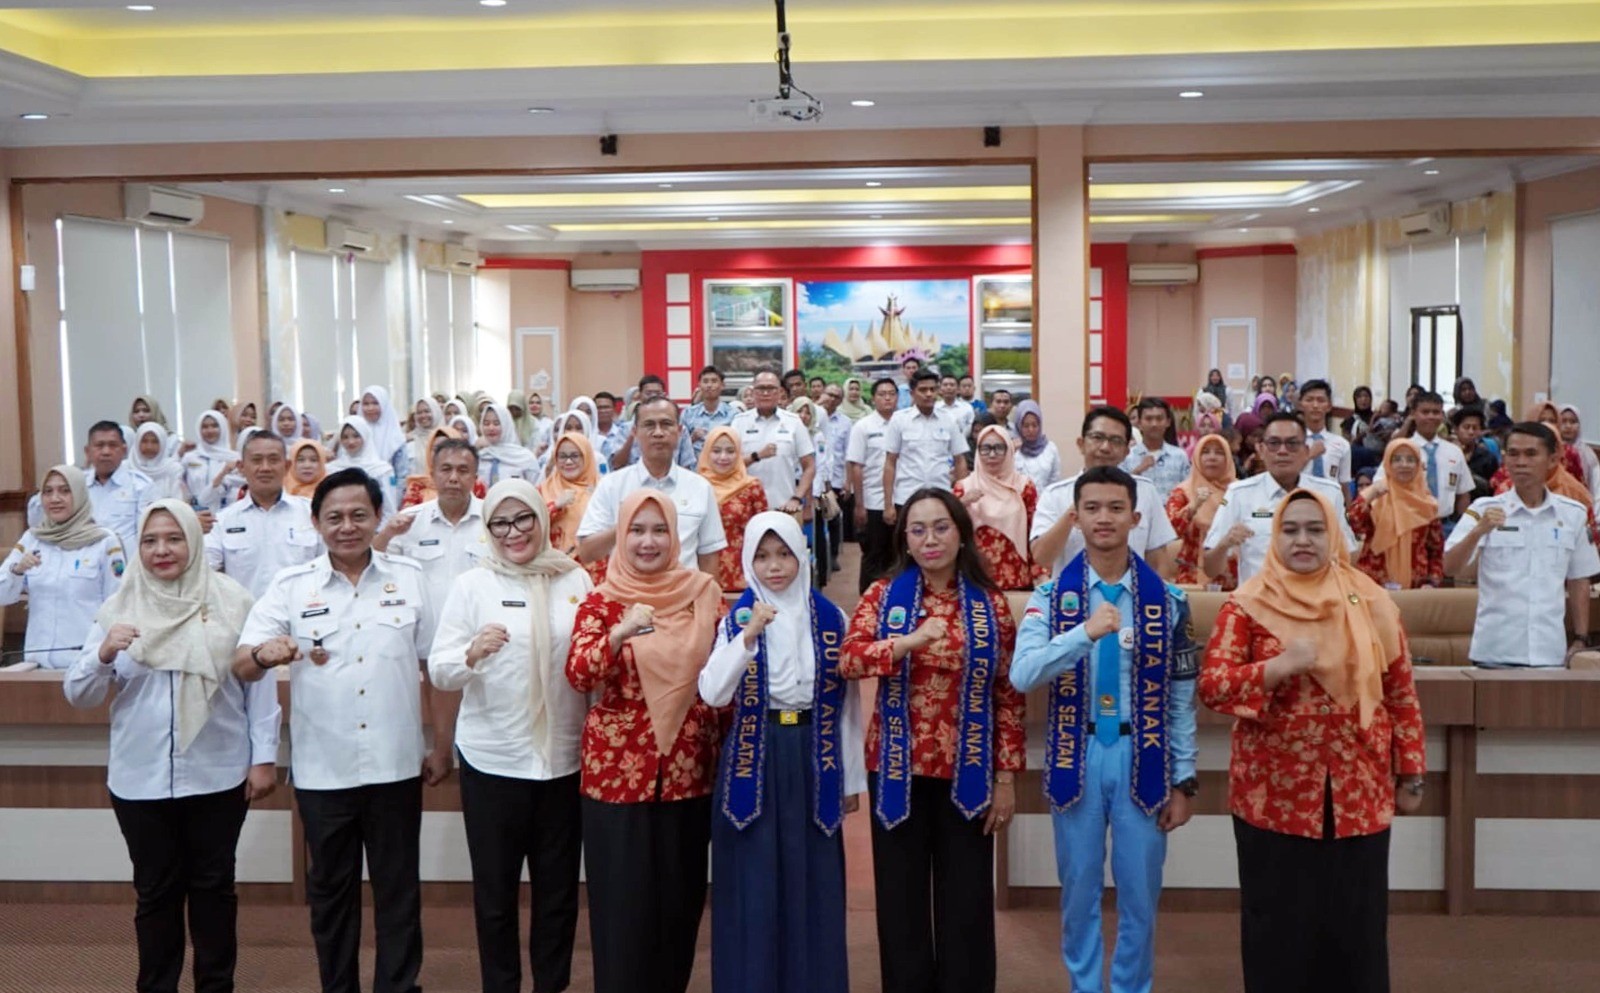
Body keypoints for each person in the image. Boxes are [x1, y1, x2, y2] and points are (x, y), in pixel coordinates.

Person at [233, 469, 450, 993]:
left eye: (358, 515)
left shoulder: (410, 578)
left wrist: (442, 747)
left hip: (394, 766)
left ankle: (398, 986)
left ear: (377, 518)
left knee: (399, 891)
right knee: (331, 897)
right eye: (334, 517)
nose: (347, 526)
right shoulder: (291, 586)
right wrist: (263, 655)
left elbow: (438, 669)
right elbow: (241, 663)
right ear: (316, 523)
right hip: (323, 772)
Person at [1199, 489, 1425, 993]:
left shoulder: (1371, 601)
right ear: (1274, 536)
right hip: (1273, 795)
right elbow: (1212, 686)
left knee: (1357, 928)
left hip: (1359, 790)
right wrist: (1275, 668)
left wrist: (1411, 772)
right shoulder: (1248, 605)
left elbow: (1401, 693)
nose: (1303, 540)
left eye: (1315, 529)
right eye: (1291, 529)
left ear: (1334, 535)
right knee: (1277, 928)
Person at [65, 499, 278, 993]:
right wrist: (103, 653)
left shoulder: (232, 601)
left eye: (174, 538)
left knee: (214, 890)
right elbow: (78, 694)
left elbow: (258, 687)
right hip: (140, 779)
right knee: (155, 894)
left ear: (194, 541)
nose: (162, 550)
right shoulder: (119, 607)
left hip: (217, 771)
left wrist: (264, 758)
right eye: (150, 541)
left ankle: (215, 986)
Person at [1011, 466, 1199, 993]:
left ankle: (1132, 988)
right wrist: (1083, 634)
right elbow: (1023, 675)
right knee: (1079, 893)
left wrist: (1184, 780)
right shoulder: (1050, 599)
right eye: (1092, 508)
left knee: (1141, 894)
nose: (1104, 518)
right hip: (1078, 753)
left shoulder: (1169, 601)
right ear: (1075, 518)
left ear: (1136, 518)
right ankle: (1086, 987)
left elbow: (1181, 699)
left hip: (1145, 753)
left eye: (1116, 508)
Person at [839, 488, 1022, 993]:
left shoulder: (991, 604)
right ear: (905, 539)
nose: (929, 539)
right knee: (901, 902)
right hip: (897, 769)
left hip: (970, 771)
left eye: (941, 527)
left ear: (961, 533)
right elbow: (848, 659)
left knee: (967, 902)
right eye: (917, 530)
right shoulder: (884, 595)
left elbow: (1008, 696)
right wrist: (904, 643)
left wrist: (1006, 778)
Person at [428, 479, 591, 993]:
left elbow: (591, 662)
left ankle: (551, 985)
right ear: (488, 527)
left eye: (523, 519)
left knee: (558, 894)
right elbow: (440, 670)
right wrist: (471, 654)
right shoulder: (472, 585)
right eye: (500, 522)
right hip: (494, 761)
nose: (513, 532)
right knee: (496, 895)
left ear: (542, 520)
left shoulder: (574, 578)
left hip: (562, 760)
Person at [698, 512, 866, 993]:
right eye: (763, 557)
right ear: (748, 563)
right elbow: (712, 692)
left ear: (802, 556)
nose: (774, 567)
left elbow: (847, 705)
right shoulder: (737, 619)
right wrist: (747, 638)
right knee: (754, 879)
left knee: (811, 878)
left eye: (784, 555)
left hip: (813, 755)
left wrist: (851, 779)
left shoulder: (832, 619)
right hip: (757, 756)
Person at [566, 490, 725, 993]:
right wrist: (618, 634)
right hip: (617, 777)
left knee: (678, 908)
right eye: (636, 530)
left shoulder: (703, 594)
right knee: (621, 913)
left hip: (688, 770)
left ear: (676, 536)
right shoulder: (601, 599)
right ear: (621, 534)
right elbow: (579, 673)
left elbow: (724, 680)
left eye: (660, 530)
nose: (648, 541)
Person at [1445, 421, 1600, 668]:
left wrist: (1581, 637)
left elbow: (1579, 578)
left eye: (1531, 454)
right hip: (1494, 652)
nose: (1521, 462)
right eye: (1513, 454)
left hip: (1549, 652)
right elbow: (1449, 567)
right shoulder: (1483, 510)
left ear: (1552, 459)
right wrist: (1478, 532)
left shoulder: (1573, 514)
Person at [578, 395, 727, 577]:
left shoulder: (700, 488)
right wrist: (626, 525)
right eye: (649, 425)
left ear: (679, 431)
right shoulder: (612, 485)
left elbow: (709, 557)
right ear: (635, 432)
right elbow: (587, 552)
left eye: (666, 424)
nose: (658, 432)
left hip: (683, 591)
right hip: (627, 591)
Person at [1204, 412, 1355, 586]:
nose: (1282, 451)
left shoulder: (1329, 494)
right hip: (1260, 598)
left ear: (1306, 451)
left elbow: (1348, 556)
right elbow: (1210, 569)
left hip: (1316, 597)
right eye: (1274, 443)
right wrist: (1224, 544)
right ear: (1261, 450)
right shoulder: (1239, 494)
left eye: (1292, 444)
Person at [1, 466, 126, 670]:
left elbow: (118, 603)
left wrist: (108, 656)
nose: (55, 498)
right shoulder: (33, 539)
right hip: (37, 662)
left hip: (86, 663)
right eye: (48, 491)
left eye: (65, 491)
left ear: (79, 494)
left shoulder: (104, 541)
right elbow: (2, 595)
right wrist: (17, 570)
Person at [1032, 406, 1179, 578]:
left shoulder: (1145, 491)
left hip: (1131, 593)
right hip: (1073, 593)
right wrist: (1081, 501)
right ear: (1081, 444)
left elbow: (1158, 561)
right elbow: (1042, 557)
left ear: (1126, 451)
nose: (1105, 447)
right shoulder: (1055, 494)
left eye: (1115, 440)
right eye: (1097, 437)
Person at [376, 437, 489, 612]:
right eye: (446, 469)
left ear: (475, 478)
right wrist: (386, 534)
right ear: (432, 474)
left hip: (480, 622)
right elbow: (376, 562)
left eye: (463, 470)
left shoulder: (492, 520)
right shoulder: (409, 521)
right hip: (425, 625)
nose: (453, 478)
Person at [203, 431, 321, 598]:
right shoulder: (222, 521)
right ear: (241, 467)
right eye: (256, 460)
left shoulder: (312, 514)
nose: (265, 468)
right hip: (246, 613)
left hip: (302, 610)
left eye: (273, 460)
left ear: (287, 466)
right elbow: (206, 572)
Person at [29, 420, 152, 551]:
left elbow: (148, 534)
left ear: (124, 450)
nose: (106, 451)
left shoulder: (141, 486)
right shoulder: (74, 483)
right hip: (79, 557)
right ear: (87, 451)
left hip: (124, 560)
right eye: (99, 445)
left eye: (113, 445)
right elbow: (37, 517)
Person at [1349, 439, 1444, 589]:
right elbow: (1354, 523)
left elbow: (1436, 552)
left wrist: (1431, 582)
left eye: (1410, 460)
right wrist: (1370, 494)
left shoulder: (1428, 505)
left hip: (1416, 589)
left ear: (1418, 465)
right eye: (1397, 459)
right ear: (1388, 464)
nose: (1404, 465)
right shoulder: (1376, 498)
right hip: (1373, 585)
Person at [954, 424, 1040, 589]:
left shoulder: (1023, 486)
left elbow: (1034, 532)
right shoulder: (964, 488)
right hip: (975, 578)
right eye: (985, 449)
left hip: (1016, 577)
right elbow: (948, 527)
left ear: (1009, 450)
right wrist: (961, 503)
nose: (992, 454)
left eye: (999, 448)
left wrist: (1039, 572)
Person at [882, 369, 970, 525]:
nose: (929, 394)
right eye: (923, 390)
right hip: (907, 496)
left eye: (932, 389)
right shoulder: (899, 420)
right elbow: (890, 463)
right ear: (912, 393)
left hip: (941, 495)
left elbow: (960, 460)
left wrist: (960, 496)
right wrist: (888, 504)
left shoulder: (949, 419)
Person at [732, 369, 817, 524]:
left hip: (784, 508)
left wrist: (797, 498)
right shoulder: (739, 422)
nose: (766, 393)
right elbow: (730, 466)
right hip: (747, 509)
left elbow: (810, 466)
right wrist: (756, 456)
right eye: (761, 388)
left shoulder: (793, 422)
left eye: (771, 388)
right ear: (753, 392)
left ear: (779, 392)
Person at [1380, 391, 1472, 527]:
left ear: (1442, 415)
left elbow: (1463, 493)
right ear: (1413, 414)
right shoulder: (1400, 449)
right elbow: (1380, 487)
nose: (1431, 416)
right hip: (1409, 525)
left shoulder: (1454, 452)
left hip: (1445, 526)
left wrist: (1464, 526)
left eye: (1436, 412)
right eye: (1425, 412)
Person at [697, 426, 769, 592]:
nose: (723, 457)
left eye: (730, 451)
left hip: (742, 575)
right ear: (706, 453)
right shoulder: (696, 486)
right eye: (716, 451)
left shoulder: (752, 487)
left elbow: (763, 533)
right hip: (702, 574)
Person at [847, 378, 900, 593]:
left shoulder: (904, 423)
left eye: (891, 394)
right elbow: (856, 467)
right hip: (873, 500)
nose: (887, 398)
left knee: (899, 555)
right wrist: (859, 505)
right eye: (882, 394)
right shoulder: (863, 427)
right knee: (873, 555)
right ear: (873, 398)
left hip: (901, 498)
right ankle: (867, 603)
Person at [1168, 434, 1238, 589]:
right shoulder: (1183, 492)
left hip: (1235, 576)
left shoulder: (1240, 491)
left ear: (1228, 458)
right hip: (1192, 575)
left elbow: (1260, 516)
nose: (1212, 457)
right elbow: (1169, 531)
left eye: (1219, 452)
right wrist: (1193, 507)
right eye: (1205, 452)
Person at [539, 431, 604, 583]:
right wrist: (555, 506)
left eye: (575, 456)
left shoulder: (602, 490)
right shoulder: (544, 490)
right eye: (562, 456)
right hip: (555, 572)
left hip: (594, 571)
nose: (568, 462)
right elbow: (530, 525)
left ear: (586, 457)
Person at [610, 376, 696, 471]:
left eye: (658, 393)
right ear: (640, 395)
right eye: (648, 393)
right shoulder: (626, 428)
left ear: (664, 395)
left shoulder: (679, 429)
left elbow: (686, 465)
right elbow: (616, 463)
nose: (653, 396)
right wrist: (631, 436)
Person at [329, 414, 400, 516]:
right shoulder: (332, 469)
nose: (351, 442)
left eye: (356, 436)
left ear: (365, 436)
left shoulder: (382, 470)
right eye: (345, 437)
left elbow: (389, 509)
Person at [1122, 397, 1188, 501]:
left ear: (1168, 422)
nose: (1154, 424)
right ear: (1139, 423)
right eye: (1148, 419)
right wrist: (1138, 470)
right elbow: (1119, 490)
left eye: (1159, 419)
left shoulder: (1180, 456)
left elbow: (1188, 490)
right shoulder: (1127, 456)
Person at [1297, 379, 1352, 490]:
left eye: (1321, 400)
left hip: (1330, 498)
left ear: (1329, 406)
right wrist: (1309, 455)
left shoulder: (1341, 444)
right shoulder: (1292, 442)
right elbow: (1285, 475)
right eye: (1309, 400)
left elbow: (1344, 485)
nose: (1315, 405)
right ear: (1300, 404)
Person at [185, 410, 241, 514]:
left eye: (215, 426)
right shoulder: (190, 458)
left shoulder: (234, 458)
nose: (210, 431)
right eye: (205, 427)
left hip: (227, 515)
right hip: (195, 515)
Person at [477, 401, 540, 487]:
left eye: (496, 423)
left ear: (506, 425)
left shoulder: (526, 458)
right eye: (486, 424)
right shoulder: (479, 458)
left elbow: (535, 489)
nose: (491, 428)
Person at [360, 385, 411, 485]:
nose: (370, 408)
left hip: (389, 488)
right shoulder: (355, 434)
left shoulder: (396, 438)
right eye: (366, 404)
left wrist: (394, 491)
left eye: (375, 403)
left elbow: (401, 475)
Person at [682, 365, 737, 458]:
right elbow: (678, 447)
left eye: (714, 381)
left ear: (722, 385)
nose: (709, 385)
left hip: (723, 464)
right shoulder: (688, 413)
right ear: (699, 385)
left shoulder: (733, 415)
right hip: (695, 465)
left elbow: (738, 446)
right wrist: (692, 438)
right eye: (705, 381)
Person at [1452, 406, 1500, 501]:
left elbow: (1491, 488)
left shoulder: (1487, 457)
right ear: (1456, 429)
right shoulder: (1445, 454)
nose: (1471, 432)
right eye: (1466, 427)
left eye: (1475, 428)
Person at [1013, 399, 1062, 490]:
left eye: (1035, 425)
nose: (1031, 430)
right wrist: (1011, 451)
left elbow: (1055, 481)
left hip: (1046, 498)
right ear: (1019, 426)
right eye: (1026, 426)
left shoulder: (1050, 449)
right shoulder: (1012, 449)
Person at [1557, 404, 1600, 496]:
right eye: (1563, 421)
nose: (1568, 426)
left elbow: (1597, 486)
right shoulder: (1551, 451)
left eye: (1573, 422)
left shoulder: (1588, 454)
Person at [936, 373, 975, 437]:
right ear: (940, 389)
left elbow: (970, 426)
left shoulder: (967, 408)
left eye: (952, 385)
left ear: (958, 389)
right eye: (945, 385)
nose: (948, 387)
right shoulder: (934, 407)